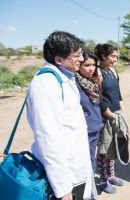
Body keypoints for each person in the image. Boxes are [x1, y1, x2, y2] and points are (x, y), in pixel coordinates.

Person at [26, 31, 97, 200]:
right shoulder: (46, 84)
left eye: (80, 53)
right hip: (66, 173)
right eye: (76, 55)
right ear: (59, 60)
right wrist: (62, 186)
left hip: (76, 164)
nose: (81, 59)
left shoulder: (64, 77)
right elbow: (47, 137)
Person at [94, 43, 125, 194]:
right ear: (104, 56)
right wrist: (110, 115)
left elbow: (118, 94)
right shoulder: (97, 73)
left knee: (113, 148)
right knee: (103, 150)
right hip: (104, 117)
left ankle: (111, 175)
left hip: (115, 115)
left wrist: (122, 114)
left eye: (116, 56)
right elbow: (99, 99)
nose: (115, 59)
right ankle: (103, 181)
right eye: (113, 56)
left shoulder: (113, 71)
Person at [75, 49, 102, 173]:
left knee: (92, 160)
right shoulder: (74, 84)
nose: (91, 68)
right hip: (83, 132)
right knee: (84, 165)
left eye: (94, 65)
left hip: (95, 128)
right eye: (87, 65)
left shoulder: (92, 83)